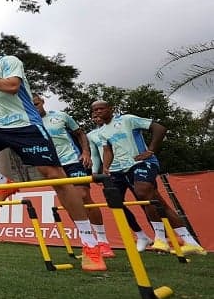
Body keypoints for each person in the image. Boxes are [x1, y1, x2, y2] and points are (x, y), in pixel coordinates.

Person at [0, 35, 106, 271]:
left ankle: (90, 244)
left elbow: (12, 87)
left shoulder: (9, 61)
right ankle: (2, 182)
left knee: (55, 176)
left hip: (27, 125)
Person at [90, 101, 206, 256]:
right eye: (95, 110)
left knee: (143, 193)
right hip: (119, 170)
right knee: (153, 202)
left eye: (101, 109)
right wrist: (105, 167)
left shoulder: (127, 119)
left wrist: (150, 150)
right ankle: (190, 243)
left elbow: (159, 128)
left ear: (111, 109)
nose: (98, 112)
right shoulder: (102, 131)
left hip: (142, 163)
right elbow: (107, 150)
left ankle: (160, 238)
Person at [32, 95, 115, 258]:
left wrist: (86, 152)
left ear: (42, 102)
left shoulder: (60, 116)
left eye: (37, 104)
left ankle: (103, 242)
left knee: (82, 196)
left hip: (73, 160)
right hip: (52, 167)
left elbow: (80, 133)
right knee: (70, 203)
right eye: (31, 105)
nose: (35, 107)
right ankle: (89, 242)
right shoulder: (28, 123)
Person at [86, 113, 153, 252]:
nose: (97, 118)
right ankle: (141, 235)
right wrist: (94, 171)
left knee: (144, 201)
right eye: (94, 117)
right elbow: (95, 154)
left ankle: (161, 238)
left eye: (99, 115)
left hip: (130, 165)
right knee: (115, 203)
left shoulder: (119, 126)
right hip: (111, 171)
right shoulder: (91, 135)